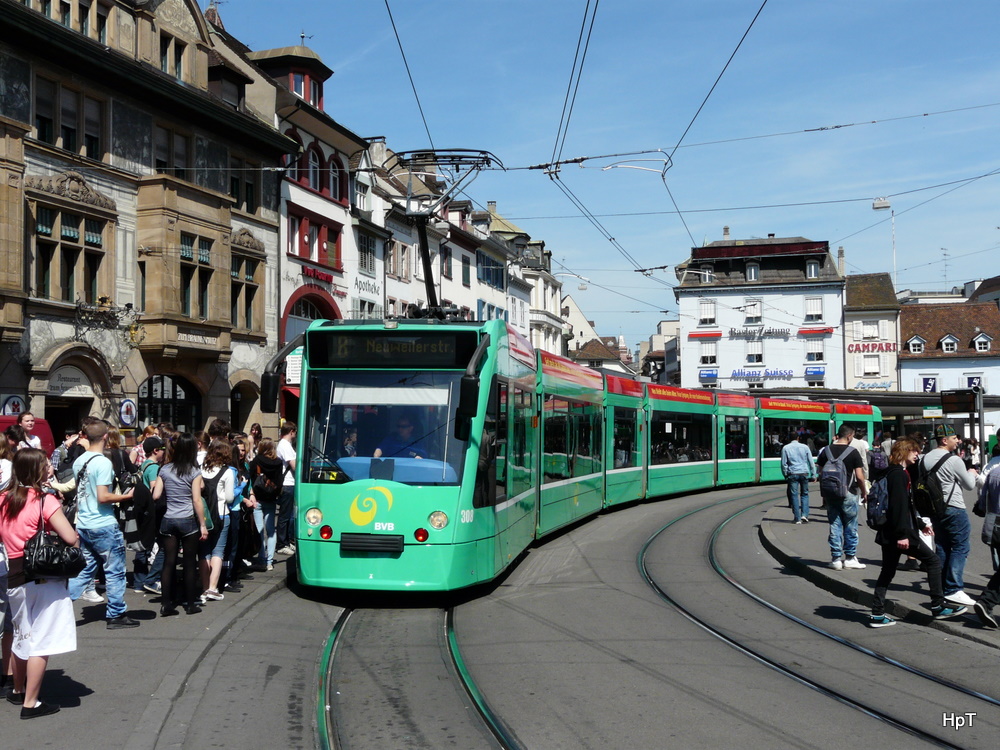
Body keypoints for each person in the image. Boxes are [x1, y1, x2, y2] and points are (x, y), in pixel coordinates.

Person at [0, 449, 79, 718]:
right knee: (41, 642)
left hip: (14, 575)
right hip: (43, 576)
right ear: (36, 471)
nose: (50, 469)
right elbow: (70, 538)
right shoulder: (45, 501)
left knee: (22, 636)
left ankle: (18, 689)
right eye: (46, 466)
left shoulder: (2, 500)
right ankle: (31, 703)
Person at [869, 439, 967, 627]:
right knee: (933, 560)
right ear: (904, 451)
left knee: (887, 571)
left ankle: (877, 613)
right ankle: (938, 606)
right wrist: (903, 535)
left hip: (889, 532)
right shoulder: (899, 475)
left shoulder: (891, 472)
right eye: (914, 451)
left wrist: (920, 523)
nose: (917, 454)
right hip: (900, 532)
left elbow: (904, 506)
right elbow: (898, 507)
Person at [67, 421, 139, 629]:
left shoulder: (80, 460)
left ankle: (59, 608)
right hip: (103, 523)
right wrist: (127, 496)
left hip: (84, 523)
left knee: (86, 570)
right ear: (106, 436)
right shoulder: (103, 462)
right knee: (115, 570)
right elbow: (103, 496)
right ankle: (116, 614)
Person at [922, 423, 979, 607]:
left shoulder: (925, 458)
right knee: (961, 546)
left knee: (942, 547)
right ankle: (954, 588)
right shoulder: (954, 460)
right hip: (954, 507)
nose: (958, 441)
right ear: (944, 440)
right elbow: (969, 485)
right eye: (955, 438)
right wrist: (972, 473)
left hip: (934, 509)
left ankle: (942, 588)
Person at [151, 432, 207, 616]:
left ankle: (166, 604)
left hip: (169, 519)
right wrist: (203, 525)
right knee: (190, 563)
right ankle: (190, 603)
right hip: (188, 519)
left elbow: (156, 495)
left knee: (169, 562)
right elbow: (197, 500)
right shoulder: (194, 471)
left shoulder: (165, 469)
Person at [817, 424, 868, 571]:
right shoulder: (853, 452)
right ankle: (850, 558)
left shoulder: (826, 451)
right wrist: (864, 491)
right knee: (850, 525)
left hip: (831, 494)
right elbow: (859, 476)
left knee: (835, 524)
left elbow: (821, 473)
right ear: (850, 436)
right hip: (849, 493)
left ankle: (836, 559)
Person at [199, 439, 236, 603]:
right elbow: (229, 498)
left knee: (204, 552)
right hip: (222, 515)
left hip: (204, 516)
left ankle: (204, 588)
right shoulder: (227, 472)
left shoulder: (201, 469)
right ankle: (213, 589)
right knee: (218, 552)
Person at [249, 438, 285, 571]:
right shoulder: (278, 462)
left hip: (257, 499)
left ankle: (261, 558)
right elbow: (280, 481)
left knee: (259, 529)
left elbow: (250, 478)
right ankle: (270, 560)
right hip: (271, 499)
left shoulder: (256, 461)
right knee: (271, 531)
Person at [974, 463, 1000, 628]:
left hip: (995, 526)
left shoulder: (994, 472)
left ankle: (986, 602)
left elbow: (982, 503)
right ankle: (986, 601)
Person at [781, 433, 816, 524]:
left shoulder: (785, 448)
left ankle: (797, 518)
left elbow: (784, 463)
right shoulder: (805, 447)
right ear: (798, 438)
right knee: (804, 494)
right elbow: (811, 462)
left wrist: (785, 474)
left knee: (794, 495)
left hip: (792, 473)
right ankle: (804, 515)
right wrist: (813, 475)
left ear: (789, 438)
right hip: (804, 473)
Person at [275, 421, 297, 556]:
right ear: (292, 432)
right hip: (287, 484)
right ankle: (282, 544)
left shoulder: (285, 445)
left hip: (289, 483)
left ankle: (287, 542)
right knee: (285, 516)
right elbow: (294, 465)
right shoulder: (285, 445)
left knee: (289, 515)